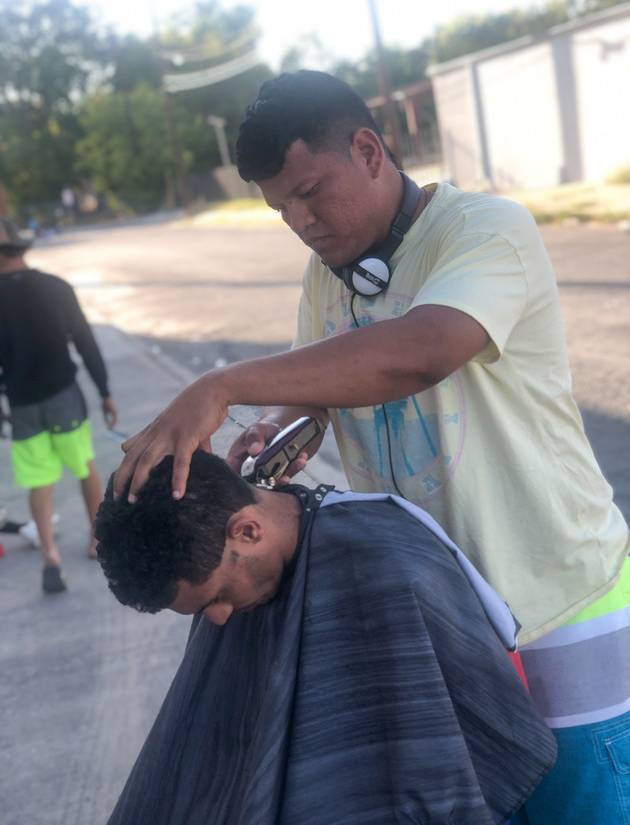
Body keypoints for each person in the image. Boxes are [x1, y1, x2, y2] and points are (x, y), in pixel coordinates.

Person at [112, 71, 629, 822]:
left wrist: (221, 385)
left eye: (310, 190)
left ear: (368, 148)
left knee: (581, 809)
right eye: (280, 206)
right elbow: (316, 384)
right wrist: (279, 425)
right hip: (441, 619)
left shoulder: (487, 230)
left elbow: (424, 347)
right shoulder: (327, 278)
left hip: (560, 603)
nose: (300, 220)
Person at [97, 450, 556, 825]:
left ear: (248, 530)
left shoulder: (389, 564)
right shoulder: (219, 569)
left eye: (216, 597)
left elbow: (465, 741)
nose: (217, 619)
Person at [0, 216, 118, 592]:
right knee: (84, 467)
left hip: (22, 406)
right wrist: (104, 391)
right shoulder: (56, 287)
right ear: (19, 248)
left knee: (39, 481)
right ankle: (97, 539)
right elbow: (85, 342)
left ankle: (50, 554)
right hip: (64, 396)